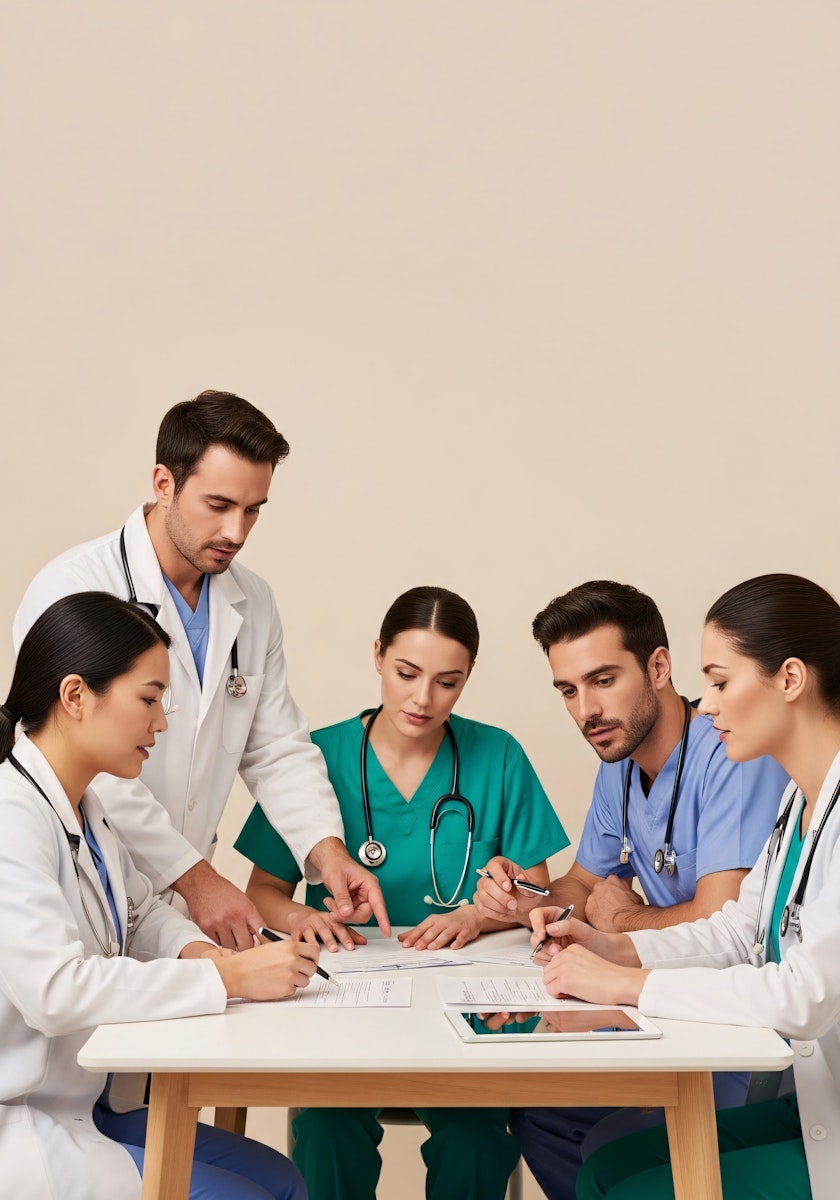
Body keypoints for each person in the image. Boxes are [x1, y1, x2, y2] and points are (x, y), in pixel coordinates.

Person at [13, 389, 389, 951]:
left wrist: (326, 850)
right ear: (164, 483)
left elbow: (276, 748)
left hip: (173, 915)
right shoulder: (74, 588)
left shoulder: (253, 602)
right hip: (86, 888)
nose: (236, 532)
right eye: (218, 505)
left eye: (253, 509)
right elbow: (77, 754)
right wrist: (195, 878)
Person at [234, 585, 571, 1200]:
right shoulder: (316, 758)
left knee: (476, 1135)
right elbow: (261, 893)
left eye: (447, 681)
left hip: (472, 1006)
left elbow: (536, 891)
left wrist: (478, 915)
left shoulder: (498, 755)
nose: (422, 698)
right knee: (327, 1124)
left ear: (467, 678)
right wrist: (306, 918)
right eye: (406, 673)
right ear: (377, 656)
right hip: (349, 1002)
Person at [530, 573, 840, 1200]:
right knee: (603, 1170)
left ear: (788, 679)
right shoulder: (797, 802)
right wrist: (609, 946)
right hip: (817, 1102)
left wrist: (627, 982)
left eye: (722, 683)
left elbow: (806, 996)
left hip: (820, 1106)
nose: (710, 704)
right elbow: (737, 932)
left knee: (629, 1187)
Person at [474, 581, 788, 1200]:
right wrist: (526, 900)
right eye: (568, 690)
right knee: (541, 1117)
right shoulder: (618, 767)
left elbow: (722, 923)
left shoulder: (730, 755)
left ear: (660, 667)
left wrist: (620, 921)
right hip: (661, 1013)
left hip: (734, 1039)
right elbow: (581, 885)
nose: (586, 708)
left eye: (603, 680)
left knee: (603, 1144)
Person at [0, 591, 320, 1200]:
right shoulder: (10, 818)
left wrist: (209, 959)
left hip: (84, 1102)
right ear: (75, 696)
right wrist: (231, 981)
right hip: (21, 1115)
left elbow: (140, 910)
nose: (163, 722)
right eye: (149, 698)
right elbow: (55, 992)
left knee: (282, 1181)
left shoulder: (84, 804)